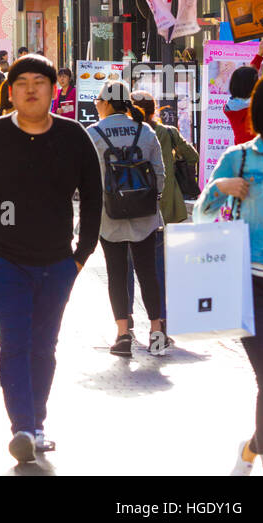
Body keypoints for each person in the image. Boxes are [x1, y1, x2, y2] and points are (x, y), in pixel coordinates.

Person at [0, 52, 103, 466]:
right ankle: (22, 426)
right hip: (3, 260)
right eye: (20, 82)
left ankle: (37, 423)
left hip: (58, 261)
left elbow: (93, 197)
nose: (30, 89)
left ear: (53, 89)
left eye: (38, 82)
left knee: (44, 346)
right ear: (10, 91)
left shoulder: (75, 136)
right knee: (14, 342)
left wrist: (82, 253)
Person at [196, 69, 263, 477]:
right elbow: (201, 212)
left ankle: (252, 449)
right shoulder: (242, 157)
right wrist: (222, 187)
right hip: (252, 286)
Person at [87, 81, 167, 359]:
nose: (95, 104)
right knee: (148, 274)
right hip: (145, 216)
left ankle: (123, 335)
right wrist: (148, 201)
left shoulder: (93, 134)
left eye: (98, 100)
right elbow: (159, 175)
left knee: (116, 274)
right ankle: (157, 333)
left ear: (107, 102)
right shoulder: (145, 131)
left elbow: (85, 182)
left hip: (108, 216)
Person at [128, 89, 198, 326]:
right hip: (166, 204)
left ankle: (134, 316)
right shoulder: (167, 132)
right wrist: (176, 158)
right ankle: (164, 315)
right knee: (160, 264)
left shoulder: (131, 133)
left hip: (136, 205)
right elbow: (193, 156)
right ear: (153, 109)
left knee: (136, 263)